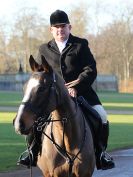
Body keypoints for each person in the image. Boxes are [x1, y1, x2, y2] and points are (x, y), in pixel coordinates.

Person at [18, 9, 115, 170]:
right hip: (53, 97)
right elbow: (39, 73)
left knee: (102, 117)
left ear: (69, 27)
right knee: (36, 118)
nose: (60, 30)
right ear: (51, 30)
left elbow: (90, 69)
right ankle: (32, 152)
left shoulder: (80, 44)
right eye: (56, 27)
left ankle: (100, 154)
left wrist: (77, 86)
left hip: (82, 93)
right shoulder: (44, 49)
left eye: (63, 26)